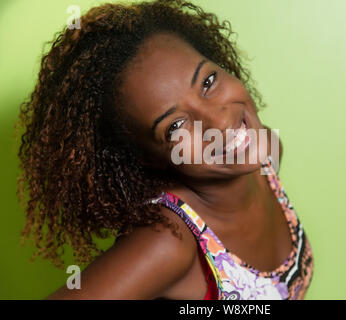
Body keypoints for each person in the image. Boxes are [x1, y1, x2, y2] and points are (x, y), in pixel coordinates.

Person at [16, 0, 313, 300]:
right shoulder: (169, 242)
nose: (221, 122)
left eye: (208, 81)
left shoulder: (267, 153)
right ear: (149, 158)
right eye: (175, 127)